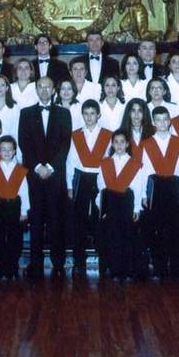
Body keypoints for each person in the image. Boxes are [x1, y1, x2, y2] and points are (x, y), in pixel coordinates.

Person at [17, 77, 72, 278]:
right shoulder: (26, 113)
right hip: (34, 175)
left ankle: (58, 263)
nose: (44, 89)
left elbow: (65, 144)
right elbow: (24, 143)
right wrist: (37, 167)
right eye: (40, 86)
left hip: (55, 176)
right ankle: (36, 264)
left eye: (48, 86)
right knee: (36, 220)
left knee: (56, 220)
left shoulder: (64, 113)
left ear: (53, 89)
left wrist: (50, 167)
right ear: (36, 89)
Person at [140, 106, 179, 279]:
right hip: (156, 188)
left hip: (173, 187)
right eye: (158, 120)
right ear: (153, 122)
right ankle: (159, 267)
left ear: (170, 121)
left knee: (175, 229)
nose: (162, 123)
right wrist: (144, 195)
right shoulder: (147, 143)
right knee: (157, 229)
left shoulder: (178, 142)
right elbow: (144, 170)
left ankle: (176, 267)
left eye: (165, 119)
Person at [66, 100, 111, 276]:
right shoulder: (75, 135)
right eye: (86, 113)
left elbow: (108, 161)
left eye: (93, 113)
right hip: (81, 179)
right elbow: (70, 162)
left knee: (101, 219)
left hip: (100, 179)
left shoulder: (107, 135)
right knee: (79, 220)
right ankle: (79, 261)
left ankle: (104, 260)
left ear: (98, 115)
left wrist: (106, 185)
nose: (89, 117)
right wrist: (70, 186)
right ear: (82, 115)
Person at [96, 130, 145, 281]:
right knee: (113, 236)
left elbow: (138, 187)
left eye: (122, 142)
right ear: (112, 144)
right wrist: (102, 208)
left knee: (127, 236)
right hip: (110, 203)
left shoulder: (134, 163)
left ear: (127, 144)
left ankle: (128, 269)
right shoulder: (105, 163)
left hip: (127, 202)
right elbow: (101, 187)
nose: (119, 145)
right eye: (116, 142)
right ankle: (115, 269)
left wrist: (136, 208)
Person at [0, 135, 30, 280]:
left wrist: (24, 211)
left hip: (14, 206)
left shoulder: (20, 170)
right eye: (3, 149)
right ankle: (0, 268)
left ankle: (12, 267)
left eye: (9, 149)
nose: (6, 152)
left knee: (15, 238)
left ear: (15, 151)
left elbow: (24, 192)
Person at [119, 98, 155, 162]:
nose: (136, 114)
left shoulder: (154, 132)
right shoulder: (120, 133)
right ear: (128, 113)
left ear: (144, 113)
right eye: (133, 111)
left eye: (140, 111)